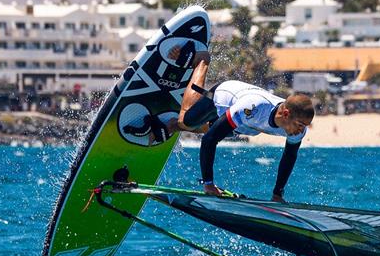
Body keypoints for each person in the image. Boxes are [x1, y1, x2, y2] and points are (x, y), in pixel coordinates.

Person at [133, 45, 314, 202]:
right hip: (224, 98)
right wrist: (209, 184)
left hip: (246, 126)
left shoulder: (296, 129)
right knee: (187, 121)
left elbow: (289, 158)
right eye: (300, 125)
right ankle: (201, 61)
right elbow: (209, 140)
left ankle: (171, 125)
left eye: (305, 126)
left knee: (208, 129)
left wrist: (277, 194)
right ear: (286, 113)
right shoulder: (253, 107)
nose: (301, 130)